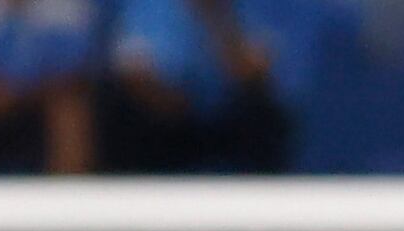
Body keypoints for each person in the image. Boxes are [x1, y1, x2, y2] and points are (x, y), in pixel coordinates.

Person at [101, 0, 293, 174]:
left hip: (233, 134)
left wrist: (212, 16)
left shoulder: (254, 9)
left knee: (262, 115)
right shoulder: (149, 8)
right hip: (168, 137)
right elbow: (137, 78)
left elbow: (254, 72)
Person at [0, 0, 97, 175]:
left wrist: (26, 92)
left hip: (47, 97)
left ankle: (68, 196)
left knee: (69, 112)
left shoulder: (65, 8)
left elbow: (75, 71)